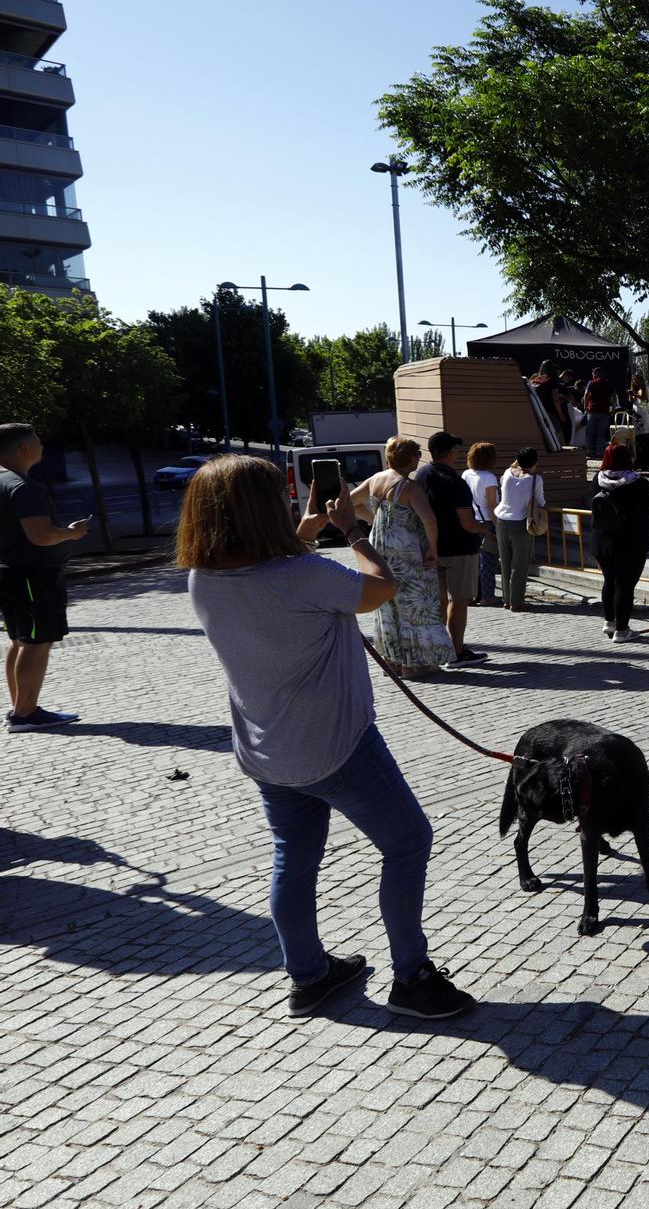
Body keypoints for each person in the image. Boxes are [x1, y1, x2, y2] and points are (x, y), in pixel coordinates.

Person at [179, 453, 474, 1020]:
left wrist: (303, 534)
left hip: (266, 750)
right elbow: (380, 587)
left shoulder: (205, 578)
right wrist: (352, 533)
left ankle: (309, 975)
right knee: (408, 842)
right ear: (265, 509)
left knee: (293, 857)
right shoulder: (306, 575)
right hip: (338, 746)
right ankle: (411, 978)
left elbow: (271, 577)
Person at [0, 423, 90, 732]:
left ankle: (20, 708)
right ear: (24, 448)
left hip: (9, 572)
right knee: (37, 642)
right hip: (33, 575)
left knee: (20, 640)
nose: (42, 446)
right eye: (38, 441)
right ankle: (25, 714)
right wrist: (73, 533)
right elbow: (40, 536)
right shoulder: (23, 487)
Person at [354, 437, 454, 678]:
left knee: (389, 603)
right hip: (408, 552)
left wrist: (376, 519)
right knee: (415, 605)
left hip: (383, 548)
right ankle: (414, 664)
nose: (419, 459)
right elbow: (430, 521)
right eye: (417, 455)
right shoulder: (409, 487)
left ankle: (393, 661)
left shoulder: (376, 479)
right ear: (409, 458)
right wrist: (433, 549)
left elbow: (348, 503)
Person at [413, 432, 487, 669]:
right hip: (459, 548)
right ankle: (457, 651)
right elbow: (467, 523)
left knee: (438, 602)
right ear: (451, 452)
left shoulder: (420, 476)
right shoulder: (456, 482)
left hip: (430, 548)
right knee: (460, 600)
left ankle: (438, 649)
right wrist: (483, 527)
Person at [590, 444, 649, 643]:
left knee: (609, 581)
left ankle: (610, 622)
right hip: (630, 541)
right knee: (625, 584)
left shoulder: (598, 480)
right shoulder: (637, 483)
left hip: (602, 540)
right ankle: (622, 630)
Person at [493, 448, 545, 613]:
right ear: (535, 462)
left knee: (505, 561)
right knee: (519, 563)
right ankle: (516, 601)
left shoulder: (508, 473)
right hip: (521, 522)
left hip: (502, 520)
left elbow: (513, 465)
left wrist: (518, 458)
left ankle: (506, 599)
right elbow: (541, 501)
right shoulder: (535, 479)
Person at [462, 441, 501, 607]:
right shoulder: (489, 478)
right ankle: (487, 596)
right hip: (486, 521)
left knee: (472, 560)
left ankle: (472, 594)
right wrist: (497, 526)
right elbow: (492, 504)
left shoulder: (466, 474)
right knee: (488, 561)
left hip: (470, 519)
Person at [580, 366, 616, 459]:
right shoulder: (609, 384)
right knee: (601, 433)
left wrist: (585, 406)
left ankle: (589, 451)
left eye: (593, 374)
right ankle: (600, 453)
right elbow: (614, 397)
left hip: (593, 410)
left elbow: (587, 394)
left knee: (589, 432)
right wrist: (613, 409)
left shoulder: (591, 383)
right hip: (604, 411)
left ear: (595, 374)